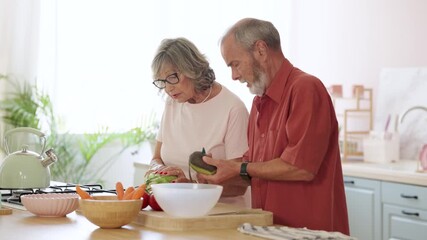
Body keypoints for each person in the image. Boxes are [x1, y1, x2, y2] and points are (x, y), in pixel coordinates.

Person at [199, 18, 350, 235]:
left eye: (235, 64)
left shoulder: (305, 88)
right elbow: (255, 169)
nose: (234, 76)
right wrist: (218, 172)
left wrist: (239, 168)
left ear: (260, 49)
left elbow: (301, 167)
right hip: (269, 230)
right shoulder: (259, 103)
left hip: (308, 232)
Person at [147, 37, 251, 207]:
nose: (168, 88)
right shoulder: (173, 103)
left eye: (172, 77)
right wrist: (159, 170)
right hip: (177, 207)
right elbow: (156, 158)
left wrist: (192, 186)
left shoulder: (233, 109)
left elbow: (239, 185)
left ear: (192, 69)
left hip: (221, 213)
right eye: (162, 81)